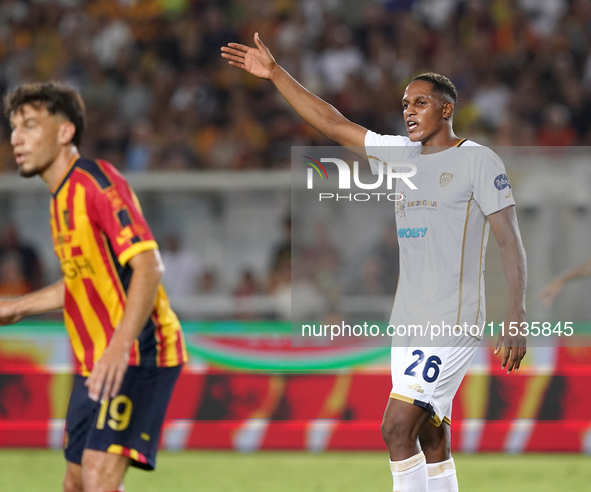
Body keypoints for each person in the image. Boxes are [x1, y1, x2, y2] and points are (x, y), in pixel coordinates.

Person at [222, 34, 527, 492]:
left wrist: (516, 314)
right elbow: (334, 124)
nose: (409, 110)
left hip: (451, 321)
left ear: (446, 110)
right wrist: (275, 74)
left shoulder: (478, 162)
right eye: (405, 103)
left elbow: (510, 243)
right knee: (430, 436)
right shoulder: (402, 156)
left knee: (395, 428)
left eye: (420, 102)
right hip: (407, 323)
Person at [0, 82, 187, 492]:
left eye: (30, 125)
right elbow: (83, 281)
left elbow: (148, 266)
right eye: (13, 127)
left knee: (100, 477)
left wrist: (120, 346)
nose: (16, 138)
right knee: (77, 481)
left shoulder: (97, 182)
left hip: (137, 352)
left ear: (65, 132)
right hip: (96, 362)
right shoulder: (59, 200)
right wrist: (16, 307)